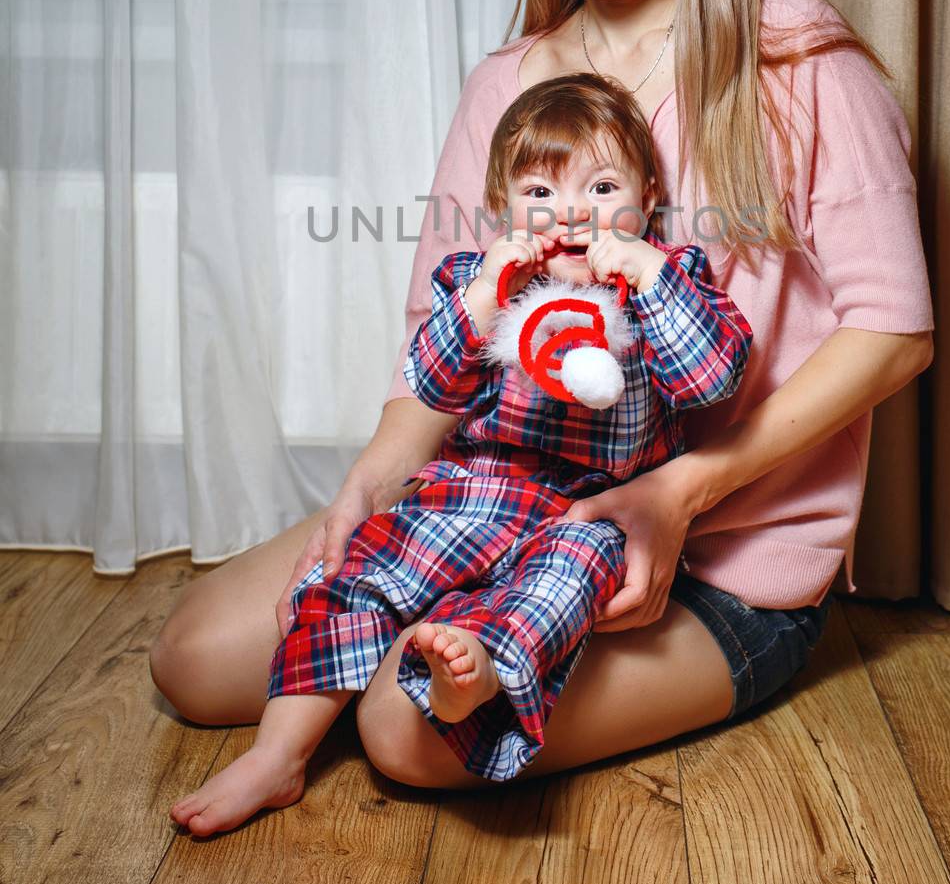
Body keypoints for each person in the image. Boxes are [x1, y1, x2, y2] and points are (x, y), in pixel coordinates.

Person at [150, 0, 934, 810]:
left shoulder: (795, 61)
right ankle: (391, 648)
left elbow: (895, 327)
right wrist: (370, 487)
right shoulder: (506, 86)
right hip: (502, 494)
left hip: (723, 553)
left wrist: (678, 491)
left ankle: (471, 650)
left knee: (403, 724)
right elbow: (446, 339)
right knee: (192, 661)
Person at [169, 74, 753, 828]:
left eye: (602, 187)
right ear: (500, 207)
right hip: (477, 488)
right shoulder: (485, 283)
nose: (571, 212)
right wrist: (483, 293)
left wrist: (650, 274)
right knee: (356, 572)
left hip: (595, 507)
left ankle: (477, 678)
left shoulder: (668, 286)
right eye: (540, 191)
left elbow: (712, 378)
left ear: (646, 195)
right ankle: (279, 754)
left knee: (558, 588)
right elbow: (431, 381)